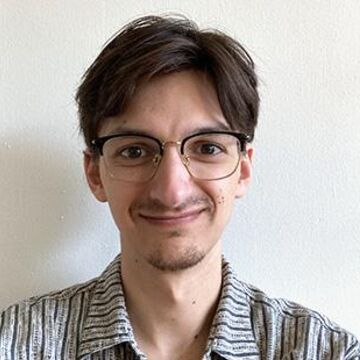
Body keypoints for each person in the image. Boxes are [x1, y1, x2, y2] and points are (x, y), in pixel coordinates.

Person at [0, 15, 359, 360]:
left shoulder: (326, 351)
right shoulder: (14, 343)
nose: (172, 190)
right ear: (95, 173)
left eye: (207, 148)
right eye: (135, 150)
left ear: (243, 169)